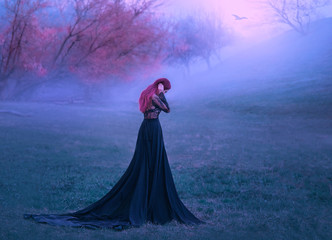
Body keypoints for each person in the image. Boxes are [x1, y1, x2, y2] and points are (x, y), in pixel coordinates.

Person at [23, 78, 205, 230]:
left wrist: (160, 92)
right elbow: (167, 109)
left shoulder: (147, 95)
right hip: (152, 130)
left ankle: (151, 197)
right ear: (160, 86)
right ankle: (146, 198)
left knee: (150, 161)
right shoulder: (154, 96)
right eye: (165, 88)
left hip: (148, 129)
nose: (166, 91)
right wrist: (161, 92)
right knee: (146, 163)